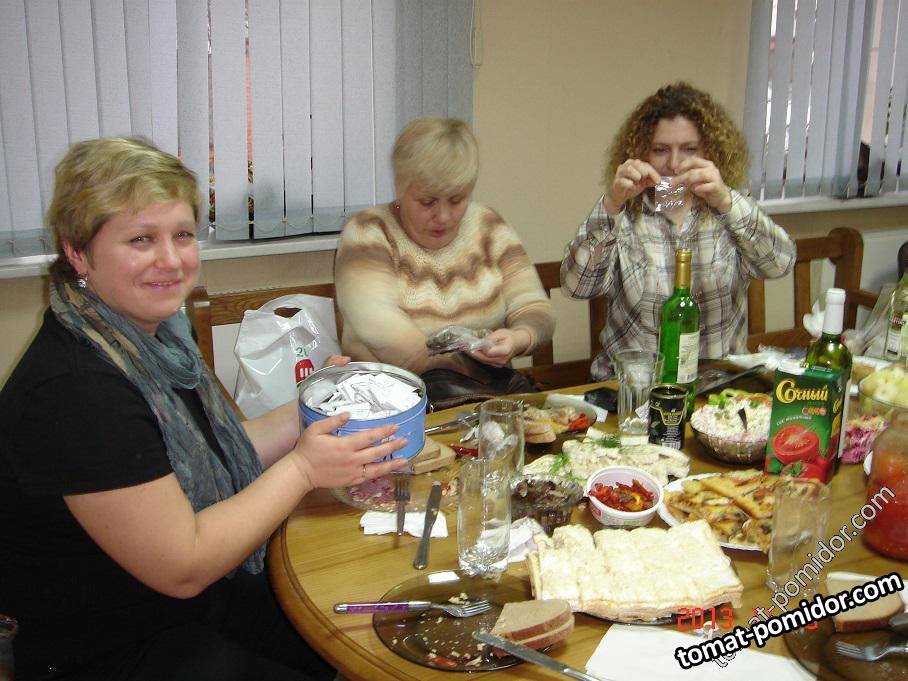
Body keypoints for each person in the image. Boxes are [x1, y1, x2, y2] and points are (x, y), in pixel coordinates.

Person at [0, 137, 408, 680]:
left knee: (360, 626)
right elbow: (184, 566)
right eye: (141, 239)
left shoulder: (152, 340)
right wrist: (303, 469)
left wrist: (316, 404)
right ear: (78, 252)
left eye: (183, 235)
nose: (171, 261)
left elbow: (223, 452)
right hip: (111, 645)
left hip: (191, 606)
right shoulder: (76, 389)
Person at [560, 82, 796, 379]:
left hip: (716, 385)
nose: (673, 164)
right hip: (635, 387)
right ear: (641, 153)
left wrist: (725, 201)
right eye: (660, 150)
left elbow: (780, 264)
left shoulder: (730, 209)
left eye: (689, 149)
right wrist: (612, 203)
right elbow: (577, 286)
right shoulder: (625, 215)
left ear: (711, 151)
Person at [334, 117, 555, 397]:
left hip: (485, 400)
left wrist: (519, 338)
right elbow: (386, 333)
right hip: (393, 402)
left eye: (457, 199)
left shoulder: (488, 226)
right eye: (427, 202)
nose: (443, 216)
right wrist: (475, 373)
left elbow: (534, 306)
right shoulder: (368, 233)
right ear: (401, 188)